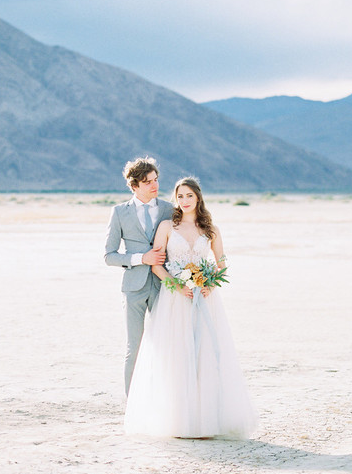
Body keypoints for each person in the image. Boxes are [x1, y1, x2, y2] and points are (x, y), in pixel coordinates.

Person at [124, 177, 258, 438]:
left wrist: (211, 284)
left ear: (198, 198)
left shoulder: (211, 230)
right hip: (175, 299)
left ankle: (206, 420)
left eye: (189, 196)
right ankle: (178, 421)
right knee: (177, 355)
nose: (184, 201)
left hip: (205, 300)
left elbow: (222, 263)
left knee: (205, 356)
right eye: (180, 196)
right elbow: (157, 264)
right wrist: (175, 285)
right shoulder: (166, 226)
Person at [104, 157, 174, 395]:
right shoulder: (119, 212)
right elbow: (109, 256)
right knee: (134, 346)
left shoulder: (169, 209)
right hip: (134, 287)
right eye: (147, 182)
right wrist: (140, 258)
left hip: (164, 285)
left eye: (156, 180)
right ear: (134, 186)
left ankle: (165, 398)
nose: (154, 186)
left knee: (166, 344)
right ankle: (132, 403)